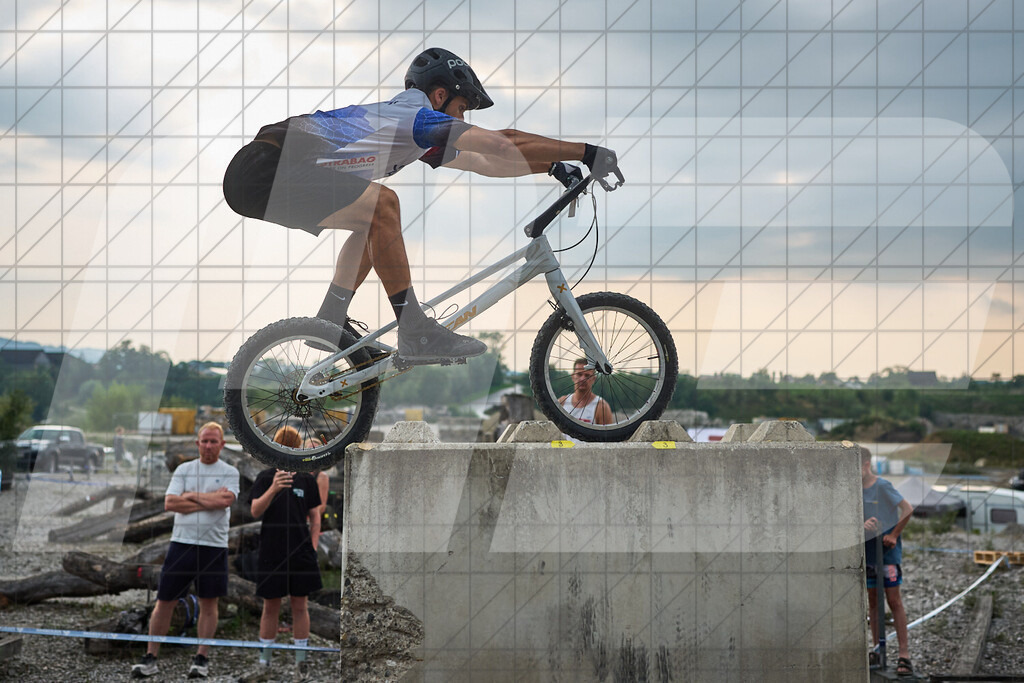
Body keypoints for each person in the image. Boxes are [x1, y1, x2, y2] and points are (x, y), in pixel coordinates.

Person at [223, 47, 621, 365]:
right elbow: (501, 142)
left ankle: (330, 319)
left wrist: (552, 165)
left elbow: (485, 162)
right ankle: (414, 329)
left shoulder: (415, 131)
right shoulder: (417, 118)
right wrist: (588, 152)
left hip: (260, 175)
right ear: (440, 95)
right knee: (384, 204)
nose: (464, 119)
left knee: (374, 219)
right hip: (266, 166)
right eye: (463, 109)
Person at [131, 422, 240, 679]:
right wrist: (207, 500)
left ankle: (201, 658)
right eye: (205, 441)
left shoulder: (229, 472)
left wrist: (190, 496)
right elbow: (170, 503)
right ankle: (151, 657)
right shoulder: (184, 469)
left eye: (214, 441)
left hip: (214, 546)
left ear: (222, 445)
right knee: (164, 601)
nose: (209, 446)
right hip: (182, 543)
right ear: (197, 443)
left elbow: (225, 501)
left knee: (209, 603)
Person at [245, 426, 323, 680]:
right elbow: (255, 510)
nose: (287, 451)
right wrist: (274, 488)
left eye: (292, 447)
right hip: (272, 550)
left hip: (300, 551)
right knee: (271, 606)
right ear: (274, 449)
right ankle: (264, 663)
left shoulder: (306, 479)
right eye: (283, 447)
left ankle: (301, 663)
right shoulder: (265, 477)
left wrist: (312, 546)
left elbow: (315, 516)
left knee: (301, 605)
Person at [862, 446, 915, 677]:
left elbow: (907, 509)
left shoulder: (881, 485)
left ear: (866, 465)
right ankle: (877, 649)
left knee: (894, 601)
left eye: (857, 467)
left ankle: (904, 655)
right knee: (873, 602)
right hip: (868, 554)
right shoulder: (853, 489)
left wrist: (893, 535)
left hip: (887, 553)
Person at [557, 358, 612, 436]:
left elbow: (607, 439)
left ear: (593, 379)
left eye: (587, 375)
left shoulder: (601, 406)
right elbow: (555, 435)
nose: (583, 379)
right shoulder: (562, 402)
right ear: (573, 376)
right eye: (579, 374)